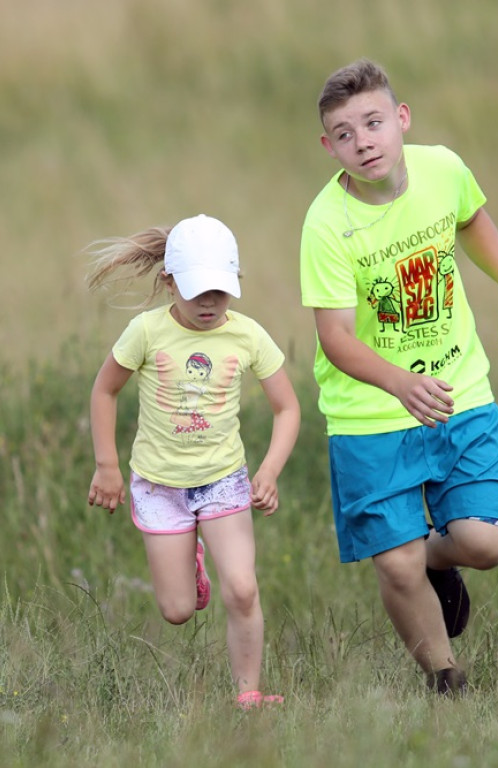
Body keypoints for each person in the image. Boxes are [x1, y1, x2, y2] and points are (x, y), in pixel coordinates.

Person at [299, 59, 498, 695]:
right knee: (397, 563)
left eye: (374, 122)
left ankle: (436, 555)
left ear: (401, 120)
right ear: (329, 147)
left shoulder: (442, 168)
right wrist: (399, 384)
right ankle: (446, 681)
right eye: (345, 133)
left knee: (486, 543)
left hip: (460, 393)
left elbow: (470, 219)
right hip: (370, 416)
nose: (364, 141)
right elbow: (336, 338)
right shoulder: (327, 224)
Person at [86, 214, 300, 709]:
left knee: (243, 590)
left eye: (221, 292)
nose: (209, 303)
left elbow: (287, 408)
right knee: (178, 610)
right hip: (160, 486)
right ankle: (193, 558)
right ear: (169, 282)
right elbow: (104, 390)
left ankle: (248, 693)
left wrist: (268, 472)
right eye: (197, 290)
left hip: (223, 482)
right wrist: (107, 466)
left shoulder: (247, 336)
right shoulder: (145, 332)